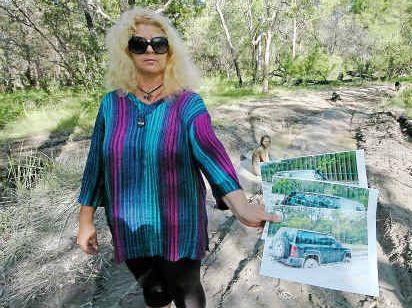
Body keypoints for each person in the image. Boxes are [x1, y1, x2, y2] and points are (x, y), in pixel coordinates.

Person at [75, 7, 280, 308]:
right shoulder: (110, 105)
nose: (150, 50)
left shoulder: (187, 103)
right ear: (126, 52)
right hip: (129, 225)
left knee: (186, 290)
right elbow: (96, 165)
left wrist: (241, 206)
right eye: (138, 44)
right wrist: (85, 220)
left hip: (178, 224)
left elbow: (211, 152)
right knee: (154, 292)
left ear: (170, 52)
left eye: (159, 43)